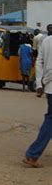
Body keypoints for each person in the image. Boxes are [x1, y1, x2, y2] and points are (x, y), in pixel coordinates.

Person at [23, 24, 52, 168]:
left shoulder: (46, 42)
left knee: (50, 119)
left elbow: (39, 63)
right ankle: (32, 154)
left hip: (49, 88)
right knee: (50, 121)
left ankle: (33, 154)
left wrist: (40, 84)